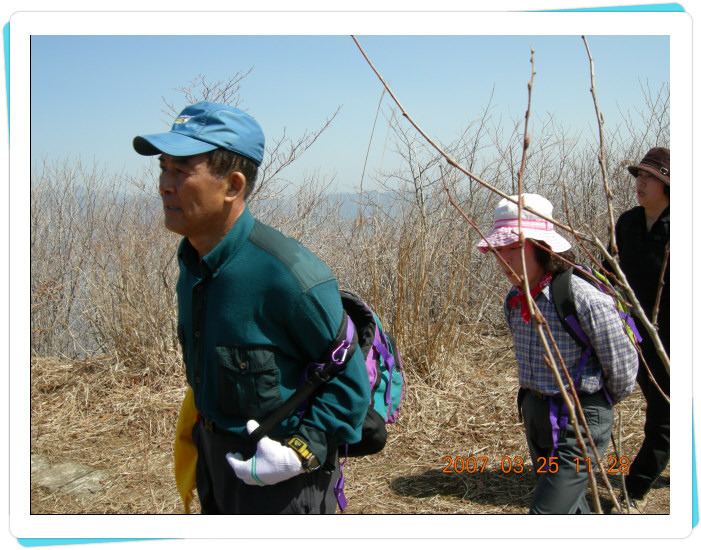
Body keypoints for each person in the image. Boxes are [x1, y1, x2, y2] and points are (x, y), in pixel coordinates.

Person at [133, 100, 370, 514]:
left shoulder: (289, 276)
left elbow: (348, 383)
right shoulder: (193, 262)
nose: (164, 185)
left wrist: (298, 453)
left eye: (181, 170)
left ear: (233, 185)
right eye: (162, 168)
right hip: (215, 466)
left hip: (283, 486)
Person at [476, 193, 638, 514]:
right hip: (536, 412)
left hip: (579, 418)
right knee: (572, 510)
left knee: (547, 513)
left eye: (515, 249)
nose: (505, 259)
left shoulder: (583, 299)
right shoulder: (516, 299)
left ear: (543, 248)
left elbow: (623, 369)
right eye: (499, 250)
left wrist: (593, 409)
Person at [608, 147, 670, 513]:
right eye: (638, 176)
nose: (640, 183)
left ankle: (636, 487)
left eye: (649, 178)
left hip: (678, 338)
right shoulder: (628, 223)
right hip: (637, 334)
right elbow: (607, 273)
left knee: (664, 413)